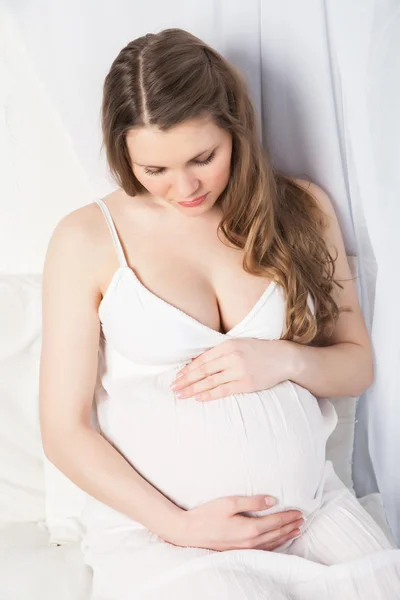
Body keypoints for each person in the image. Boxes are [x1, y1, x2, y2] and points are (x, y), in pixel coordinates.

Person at [39, 28, 400, 599]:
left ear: (236, 128)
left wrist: (282, 359)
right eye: (153, 171)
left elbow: (356, 366)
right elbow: (64, 430)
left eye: (203, 157)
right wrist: (181, 525)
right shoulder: (86, 239)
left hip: (312, 515)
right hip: (167, 536)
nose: (184, 187)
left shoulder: (300, 209)